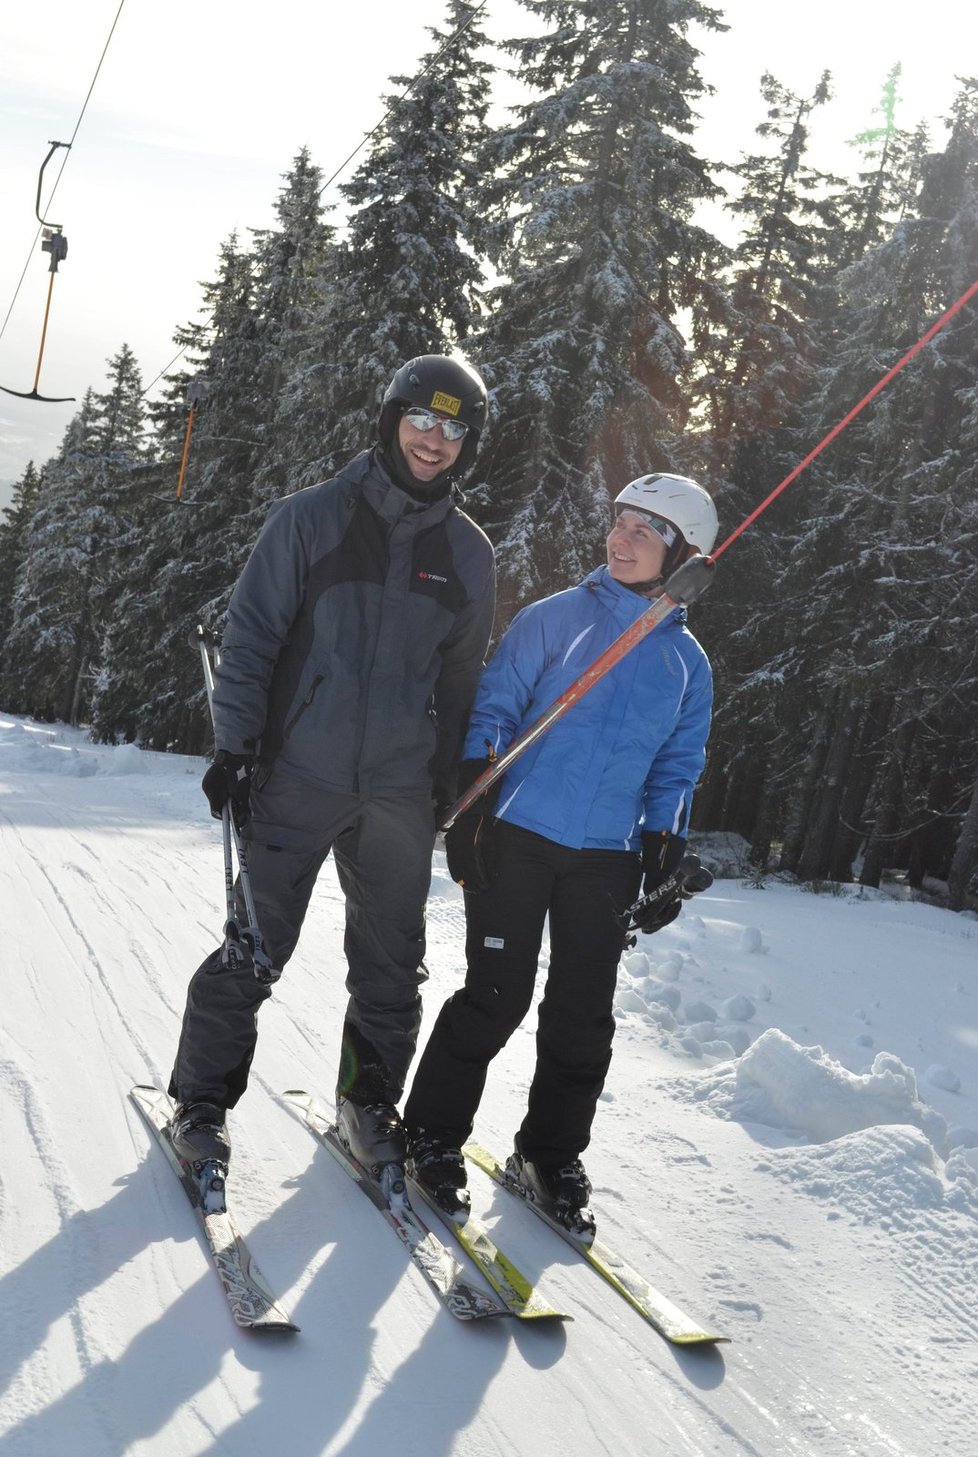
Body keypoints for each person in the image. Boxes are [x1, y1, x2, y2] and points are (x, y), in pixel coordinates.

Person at [167, 354, 496, 1179]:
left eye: (454, 428)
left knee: (391, 964)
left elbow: (461, 681)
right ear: (390, 419)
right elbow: (250, 642)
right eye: (421, 418)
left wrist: (454, 782)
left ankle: (366, 1097)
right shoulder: (308, 519)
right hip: (295, 774)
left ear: (469, 446)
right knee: (254, 948)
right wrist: (236, 748)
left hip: (397, 790)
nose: (434, 439)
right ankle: (201, 1103)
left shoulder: (468, 553)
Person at [403, 472, 717, 1234]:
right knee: (496, 996)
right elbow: (497, 706)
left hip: (605, 857)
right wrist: (476, 804)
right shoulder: (558, 618)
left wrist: (664, 846)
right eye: (620, 521)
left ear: (685, 555)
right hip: (518, 836)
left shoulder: (688, 665)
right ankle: (430, 1137)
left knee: (583, 1016)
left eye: (646, 530)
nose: (621, 538)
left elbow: (677, 767)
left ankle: (547, 1154)